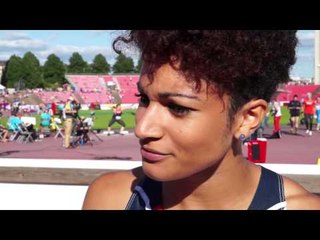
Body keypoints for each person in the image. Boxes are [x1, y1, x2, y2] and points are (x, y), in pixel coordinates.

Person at [82, 31, 320, 210]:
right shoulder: (111, 198)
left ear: (247, 118)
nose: (143, 128)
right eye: (144, 99)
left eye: (178, 108)